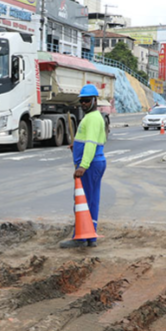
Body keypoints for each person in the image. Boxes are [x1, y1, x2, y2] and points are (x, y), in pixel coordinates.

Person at [60, 84, 106, 248]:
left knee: (84, 202)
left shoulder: (93, 118)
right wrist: (76, 146)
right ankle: (89, 236)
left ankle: (81, 238)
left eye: (87, 101)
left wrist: (83, 166)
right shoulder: (92, 117)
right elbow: (87, 140)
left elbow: (92, 143)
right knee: (89, 200)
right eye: (82, 101)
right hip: (93, 164)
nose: (84, 104)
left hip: (91, 165)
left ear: (94, 100)